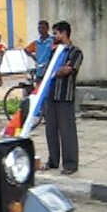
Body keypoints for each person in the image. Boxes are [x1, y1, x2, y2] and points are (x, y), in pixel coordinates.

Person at [41, 21, 83, 175]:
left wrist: (58, 70)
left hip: (65, 96)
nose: (55, 36)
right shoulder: (54, 51)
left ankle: (70, 164)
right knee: (50, 129)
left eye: (57, 33)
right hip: (51, 95)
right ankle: (53, 160)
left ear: (64, 33)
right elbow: (48, 70)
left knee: (67, 131)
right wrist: (56, 70)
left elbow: (67, 70)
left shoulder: (76, 52)